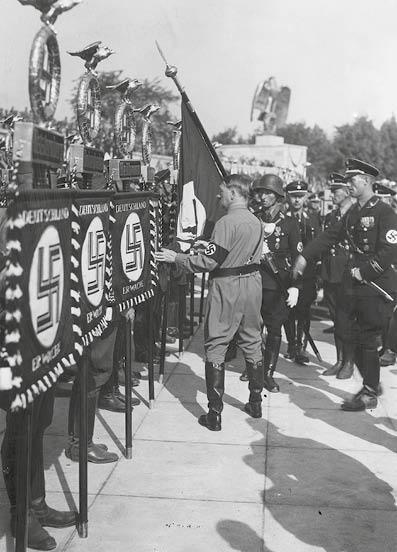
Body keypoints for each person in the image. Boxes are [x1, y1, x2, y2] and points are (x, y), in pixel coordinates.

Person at [155, 174, 264, 430]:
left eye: (222, 191)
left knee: (216, 343)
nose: (218, 195)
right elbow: (233, 251)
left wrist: (177, 258)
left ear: (234, 194)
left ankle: (214, 415)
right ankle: (256, 401)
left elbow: (210, 262)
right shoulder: (255, 220)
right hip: (252, 284)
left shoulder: (226, 222)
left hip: (227, 287)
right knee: (252, 339)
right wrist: (210, 246)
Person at [294, 158, 397, 411]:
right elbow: (329, 236)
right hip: (355, 283)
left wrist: (364, 272)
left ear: (365, 181)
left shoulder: (384, 212)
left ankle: (370, 391)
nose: (348, 184)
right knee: (349, 333)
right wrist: (305, 256)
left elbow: (389, 250)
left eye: (351, 180)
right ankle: (371, 383)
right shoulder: (354, 212)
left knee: (366, 338)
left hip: (376, 286)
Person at [240, 174, 301, 392]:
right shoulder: (253, 218)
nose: (262, 196)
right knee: (253, 329)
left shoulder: (290, 223)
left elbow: (297, 258)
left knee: (274, 329)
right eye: (260, 192)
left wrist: (295, 285)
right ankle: (253, 366)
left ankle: (267, 373)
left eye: (267, 193)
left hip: (278, 284)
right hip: (255, 281)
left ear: (277, 196)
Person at [320, 173, 355, 379]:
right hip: (331, 273)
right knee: (336, 319)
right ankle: (340, 359)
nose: (332, 194)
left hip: (348, 275)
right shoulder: (330, 217)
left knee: (347, 321)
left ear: (347, 191)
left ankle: (349, 362)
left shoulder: (355, 215)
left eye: (336, 191)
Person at [284, 181, 320, 364]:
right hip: (287, 273)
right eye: (293, 196)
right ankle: (291, 344)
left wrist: (318, 277)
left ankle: (301, 347)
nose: (297, 200)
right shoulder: (283, 218)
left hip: (307, 275)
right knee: (288, 311)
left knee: (304, 311)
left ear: (305, 197)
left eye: (300, 196)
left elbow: (318, 249)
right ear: (287, 197)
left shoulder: (313, 220)